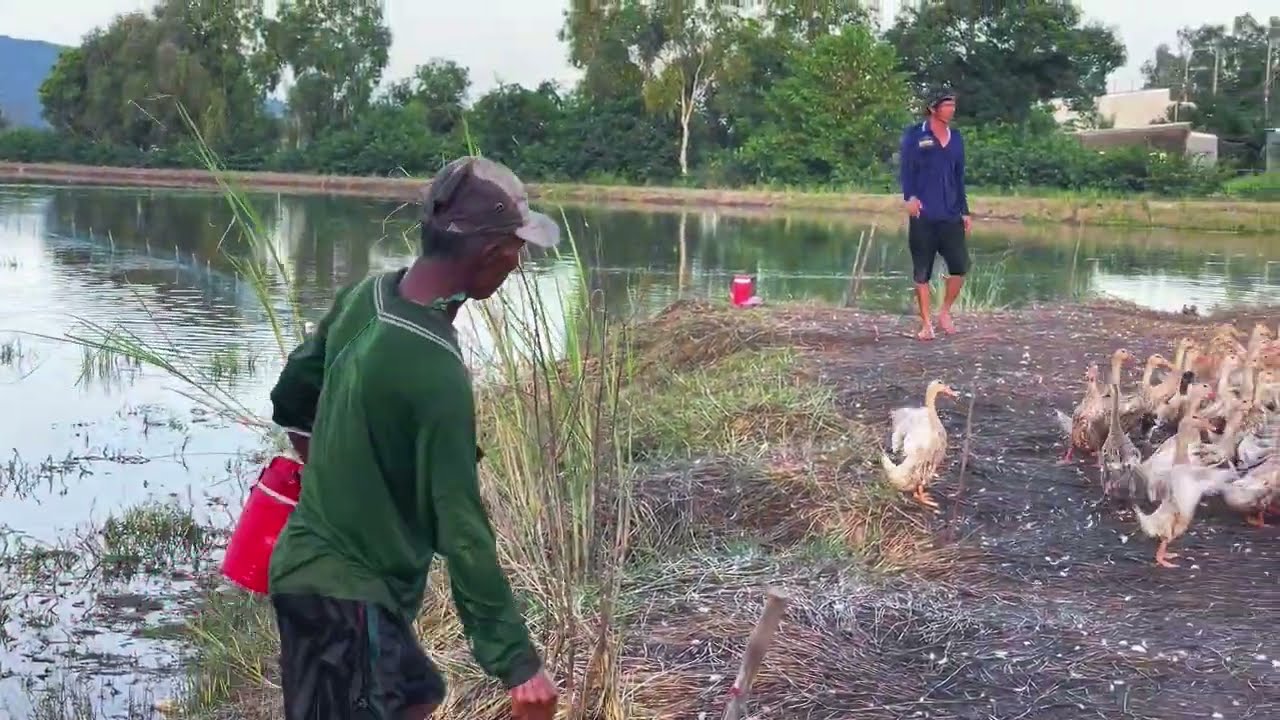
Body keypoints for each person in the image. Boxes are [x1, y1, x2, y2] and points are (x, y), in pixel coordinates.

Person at [266, 156, 562, 720]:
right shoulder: (436, 370)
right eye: (515, 248)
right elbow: (462, 528)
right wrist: (517, 663)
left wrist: (341, 477)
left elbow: (292, 399)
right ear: (489, 251)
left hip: (320, 580)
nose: (516, 262)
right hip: (344, 601)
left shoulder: (368, 295)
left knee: (417, 696)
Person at [898, 88, 972, 341]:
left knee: (960, 267)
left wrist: (965, 211)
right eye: (946, 105)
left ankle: (945, 312)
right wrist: (909, 197)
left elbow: (959, 177)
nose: (952, 109)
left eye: (953, 105)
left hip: (951, 213)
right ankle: (926, 323)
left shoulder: (957, 138)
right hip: (924, 214)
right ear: (933, 108)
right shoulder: (915, 135)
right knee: (922, 271)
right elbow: (906, 169)